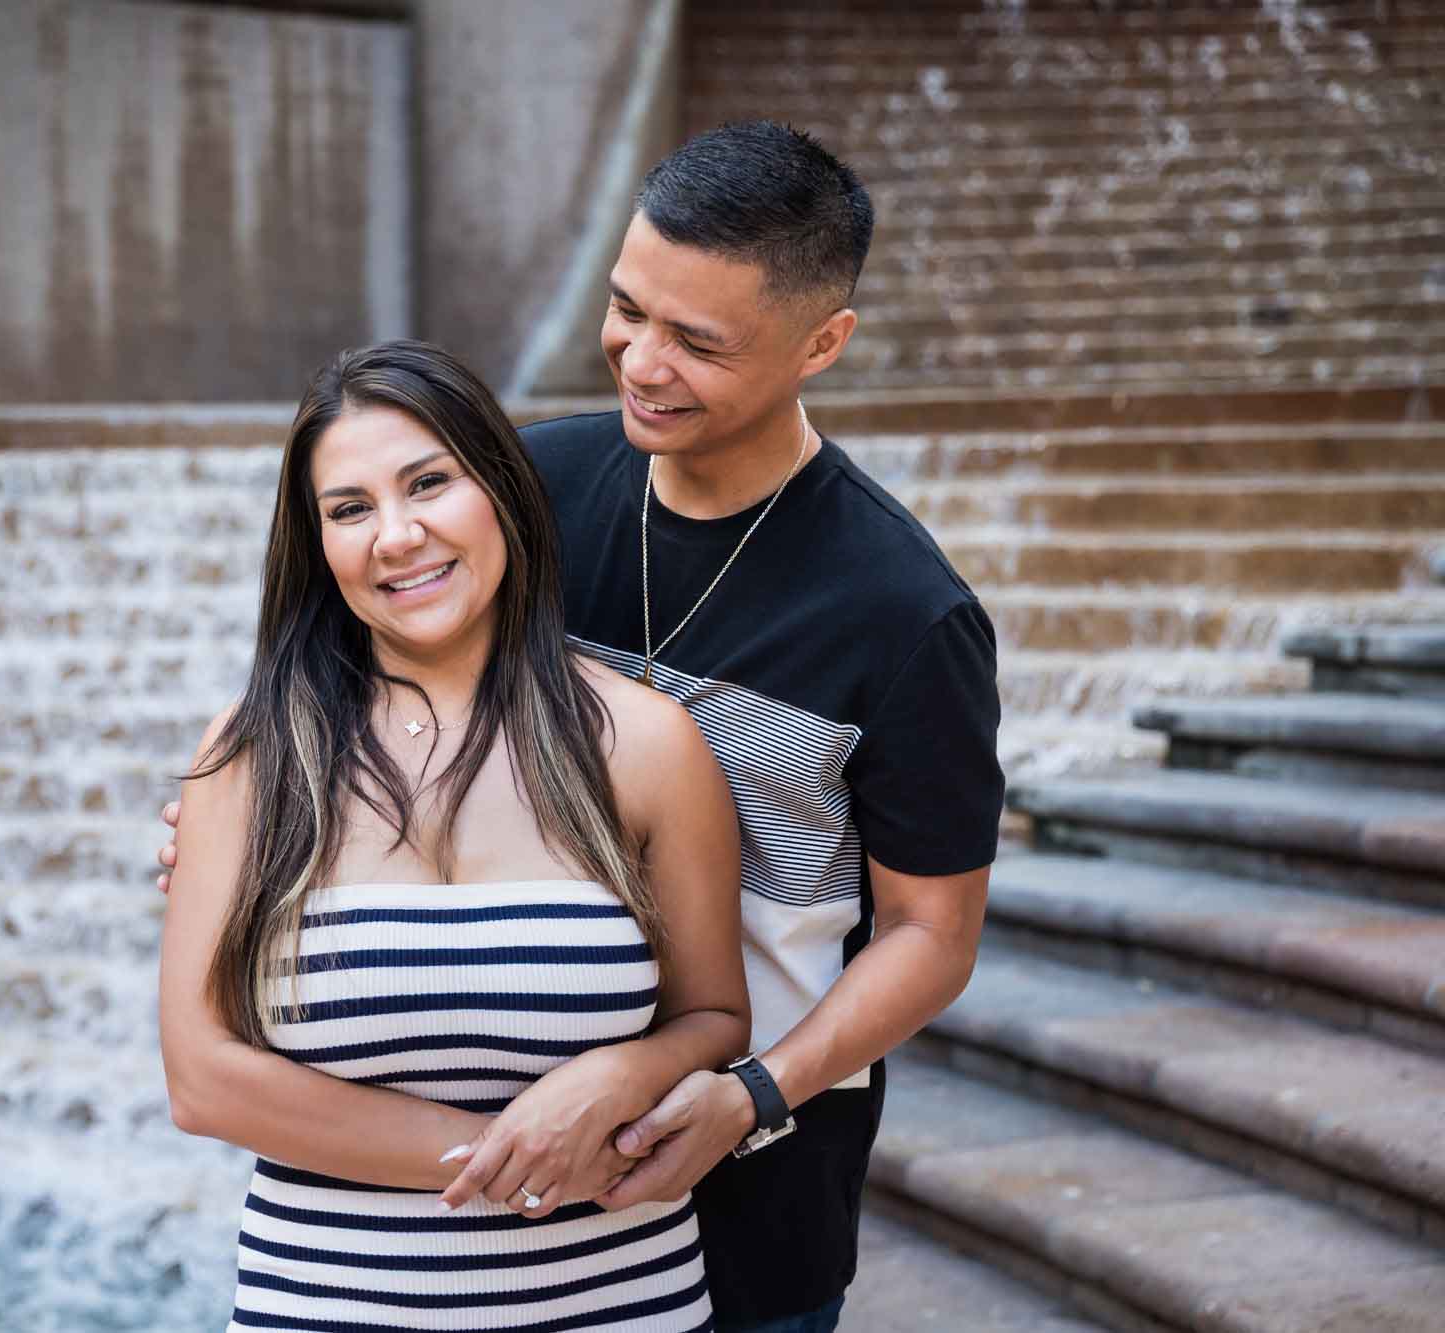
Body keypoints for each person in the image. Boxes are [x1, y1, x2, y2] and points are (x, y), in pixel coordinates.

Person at [163, 121, 1004, 1333]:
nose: (640, 363)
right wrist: (228, 826)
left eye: (696, 342)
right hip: (432, 1172)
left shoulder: (902, 612)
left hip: (747, 1175)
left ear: (821, 344)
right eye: (627, 310)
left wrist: (753, 1090)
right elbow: (344, 688)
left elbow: (931, 933)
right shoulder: (529, 489)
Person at [158, 339, 753, 1331]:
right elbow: (201, 1076)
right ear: (317, 546)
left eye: (428, 483)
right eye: (349, 509)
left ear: (499, 494)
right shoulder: (256, 748)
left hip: (618, 1306)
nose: (395, 535)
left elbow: (714, 1019)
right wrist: (510, 1164)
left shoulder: (644, 740)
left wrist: (616, 1075)